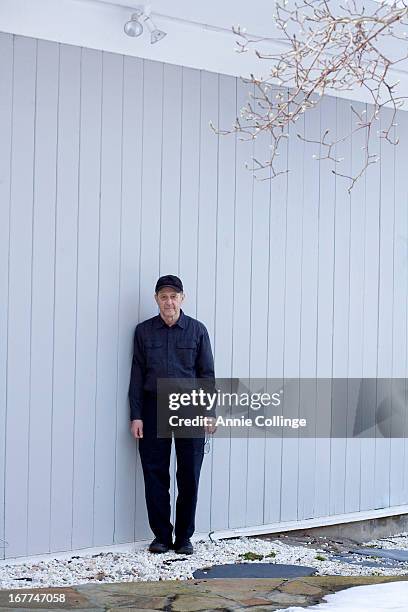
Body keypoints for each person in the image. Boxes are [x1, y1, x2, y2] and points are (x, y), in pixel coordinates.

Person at [129, 275, 216, 555]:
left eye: (173, 296)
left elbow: (207, 375)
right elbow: (136, 375)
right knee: (155, 475)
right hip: (154, 410)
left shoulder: (197, 331)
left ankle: (184, 538)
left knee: (189, 475)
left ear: (182, 298)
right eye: (163, 296)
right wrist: (136, 415)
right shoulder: (144, 332)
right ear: (156, 299)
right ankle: (162, 537)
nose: (169, 301)